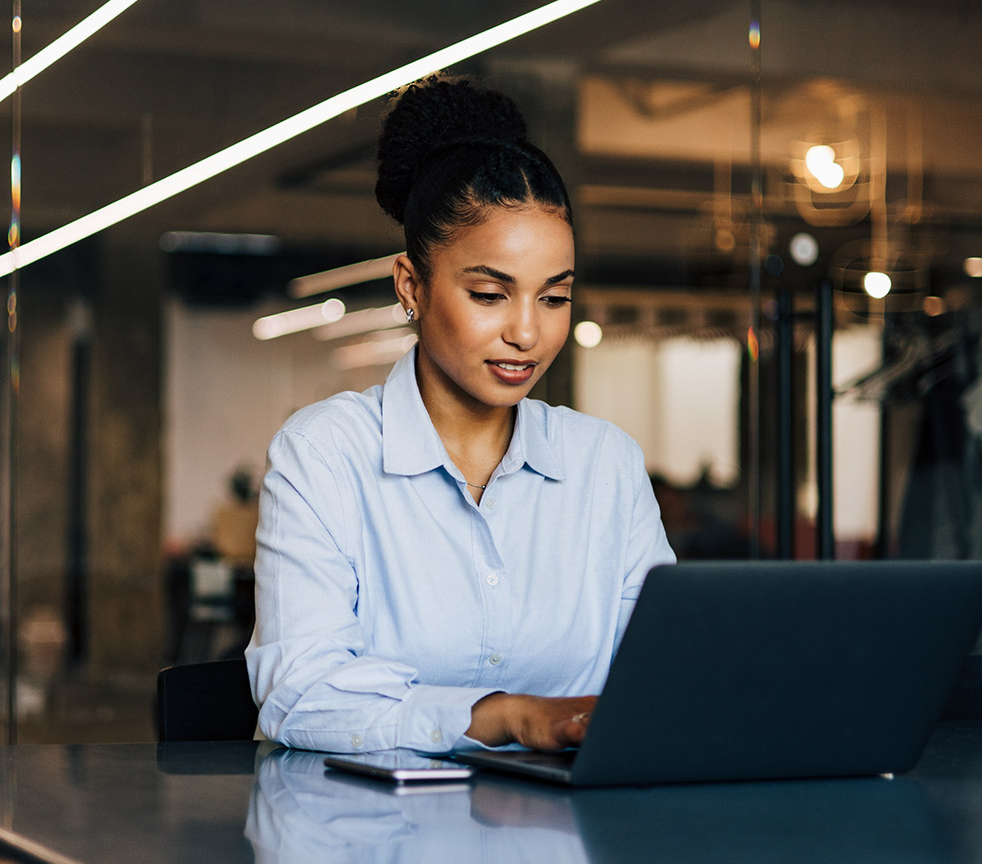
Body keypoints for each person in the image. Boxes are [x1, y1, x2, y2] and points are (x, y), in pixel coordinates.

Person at [244, 75, 675, 754]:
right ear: (410, 286)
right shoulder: (326, 454)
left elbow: (661, 676)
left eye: (554, 298)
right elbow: (302, 693)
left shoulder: (605, 466)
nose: (527, 333)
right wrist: (503, 717)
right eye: (489, 294)